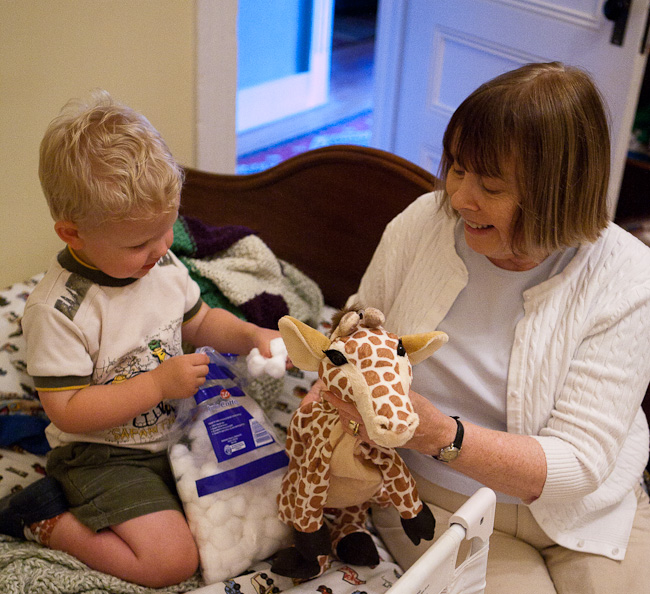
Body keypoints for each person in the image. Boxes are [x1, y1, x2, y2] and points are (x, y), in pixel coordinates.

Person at [317, 62, 650, 593]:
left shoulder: (628, 276)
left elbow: (579, 464)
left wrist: (439, 433)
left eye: (490, 186)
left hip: (589, 509)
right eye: (456, 168)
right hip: (439, 497)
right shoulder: (422, 224)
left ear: (558, 194)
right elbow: (356, 328)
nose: (459, 197)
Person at [0, 91, 281, 588]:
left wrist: (250, 334)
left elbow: (200, 321)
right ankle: (46, 518)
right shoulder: (59, 309)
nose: (160, 250)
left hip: (178, 432)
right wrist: (155, 386)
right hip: (103, 455)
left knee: (268, 504)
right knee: (170, 562)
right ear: (73, 234)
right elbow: (66, 410)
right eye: (138, 243)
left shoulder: (163, 265)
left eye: (166, 230)